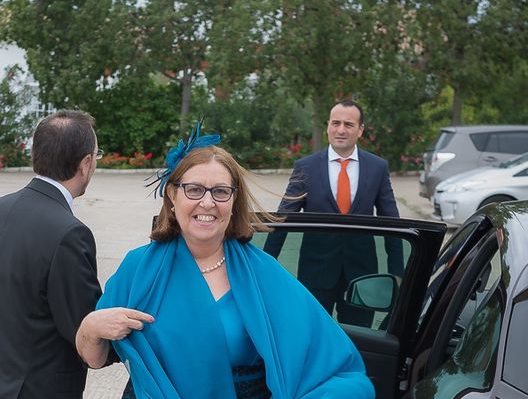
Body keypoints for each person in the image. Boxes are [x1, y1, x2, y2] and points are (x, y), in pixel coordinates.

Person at [76, 122, 375, 399]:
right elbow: (96, 357)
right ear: (171, 195)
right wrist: (90, 327)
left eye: (220, 191)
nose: (207, 202)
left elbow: (331, 363)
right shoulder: (138, 268)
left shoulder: (264, 273)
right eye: (193, 189)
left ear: (233, 201)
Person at [0, 110, 153, 399]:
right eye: (96, 155)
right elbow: (82, 328)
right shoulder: (70, 233)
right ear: (85, 163)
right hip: (32, 389)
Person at [263, 99, 403, 327]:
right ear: (327, 126)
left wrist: (397, 272)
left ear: (360, 130)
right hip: (315, 273)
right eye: (335, 123)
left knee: (361, 341)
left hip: (362, 276)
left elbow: (392, 221)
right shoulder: (305, 167)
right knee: (312, 336)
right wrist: (266, 262)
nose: (340, 130)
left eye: (348, 124)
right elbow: (284, 217)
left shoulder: (377, 168)